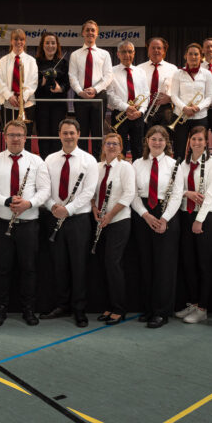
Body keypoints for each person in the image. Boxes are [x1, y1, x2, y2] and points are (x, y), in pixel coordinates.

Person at [0, 119, 51, 327]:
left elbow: (45, 191)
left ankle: (28, 309)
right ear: (5, 137)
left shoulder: (37, 161)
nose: (15, 139)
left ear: (25, 137)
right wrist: (6, 201)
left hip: (29, 224)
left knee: (28, 269)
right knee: (2, 269)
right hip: (2, 223)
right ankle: (1, 309)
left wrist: (29, 203)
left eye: (19, 135)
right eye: (11, 135)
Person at [41, 118, 98, 326]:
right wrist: (52, 207)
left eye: (72, 133)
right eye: (65, 133)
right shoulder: (49, 160)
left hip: (78, 220)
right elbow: (44, 189)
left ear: (79, 134)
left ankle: (79, 309)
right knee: (59, 265)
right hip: (54, 216)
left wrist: (68, 209)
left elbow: (89, 192)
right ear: (59, 135)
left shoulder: (89, 160)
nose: (68, 136)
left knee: (79, 266)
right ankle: (61, 305)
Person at [131, 125, 183, 328]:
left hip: (166, 214)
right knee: (146, 264)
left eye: (161, 139)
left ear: (166, 143)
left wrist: (164, 219)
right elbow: (132, 194)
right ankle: (149, 308)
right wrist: (145, 215)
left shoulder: (174, 164)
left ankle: (162, 311)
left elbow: (177, 194)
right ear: (147, 140)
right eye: (153, 138)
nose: (157, 142)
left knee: (164, 266)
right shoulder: (137, 163)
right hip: (143, 213)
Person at [174, 126, 212, 325]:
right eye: (194, 139)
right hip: (186, 215)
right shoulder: (183, 164)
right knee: (189, 263)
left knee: (204, 263)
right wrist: (187, 194)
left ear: (206, 142)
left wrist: (199, 220)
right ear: (189, 141)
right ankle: (193, 303)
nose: (197, 143)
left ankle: (203, 307)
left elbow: (211, 194)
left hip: (205, 218)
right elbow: (178, 189)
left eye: (201, 139)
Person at [92, 132, 136, 325]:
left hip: (118, 221)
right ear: (103, 147)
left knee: (113, 263)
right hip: (100, 221)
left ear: (120, 148)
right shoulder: (97, 167)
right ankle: (108, 305)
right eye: (108, 143)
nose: (111, 147)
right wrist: (94, 209)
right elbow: (91, 192)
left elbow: (128, 195)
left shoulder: (126, 167)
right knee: (102, 265)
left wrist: (110, 215)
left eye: (115, 144)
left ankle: (119, 307)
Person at [68, 20, 113, 155]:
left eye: (93, 30)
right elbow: (72, 76)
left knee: (97, 132)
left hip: (98, 96)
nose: (90, 33)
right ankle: (81, 160)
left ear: (97, 33)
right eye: (87, 30)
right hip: (80, 96)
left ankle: (97, 163)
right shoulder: (75, 55)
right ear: (83, 33)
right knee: (81, 132)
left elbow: (108, 75)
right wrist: (80, 92)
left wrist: (95, 89)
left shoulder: (104, 54)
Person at [170, 43, 212, 159]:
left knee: (199, 149)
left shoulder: (207, 74)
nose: (193, 57)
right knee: (179, 149)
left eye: (196, 54)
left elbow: (209, 97)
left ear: (201, 56)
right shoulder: (178, 73)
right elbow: (174, 95)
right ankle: (178, 173)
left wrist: (197, 108)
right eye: (190, 54)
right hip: (181, 116)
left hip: (200, 117)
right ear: (185, 56)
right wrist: (184, 108)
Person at [107, 40, 149, 159]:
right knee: (119, 149)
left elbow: (146, 94)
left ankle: (137, 175)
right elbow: (110, 94)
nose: (127, 55)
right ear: (118, 54)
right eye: (123, 52)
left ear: (134, 53)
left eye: (130, 52)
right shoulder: (111, 71)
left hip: (137, 115)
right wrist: (126, 107)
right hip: (120, 113)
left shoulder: (140, 72)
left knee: (138, 149)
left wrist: (140, 111)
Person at [34, 31, 69, 158]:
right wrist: (42, 82)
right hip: (41, 106)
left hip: (58, 105)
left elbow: (68, 84)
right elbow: (31, 85)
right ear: (42, 45)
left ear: (57, 45)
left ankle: (56, 163)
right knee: (43, 135)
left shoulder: (63, 63)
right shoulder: (35, 62)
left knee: (57, 135)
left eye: (53, 43)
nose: (50, 45)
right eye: (47, 43)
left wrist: (60, 89)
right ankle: (44, 163)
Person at [0, 29, 38, 132]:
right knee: (9, 135)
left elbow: (33, 81)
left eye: (21, 39)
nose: (19, 42)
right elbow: (0, 81)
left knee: (25, 137)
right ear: (11, 41)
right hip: (8, 103)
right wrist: (9, 96)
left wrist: (23, 96)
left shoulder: (31, 60)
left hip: (27, 104)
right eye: (16, 39)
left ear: (25, 41)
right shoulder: (3, 60)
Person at [137, 36, 179, 132]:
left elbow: (178, 90)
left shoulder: (173, 69)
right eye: (153, 48)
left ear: (164, 51)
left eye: (159, 48)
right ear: (148, 50)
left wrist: (170, 98)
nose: (156, 50)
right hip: (144, 108)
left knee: (164, 139)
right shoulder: (139, 68)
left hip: (165, 110)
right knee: (144, 139)